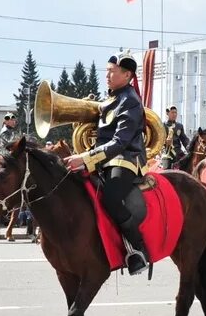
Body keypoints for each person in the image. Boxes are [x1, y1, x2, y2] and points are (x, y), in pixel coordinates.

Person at [64, 54, 150, 276]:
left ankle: (138, 249)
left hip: (126, 159)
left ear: (127, 75)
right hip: (104, 158)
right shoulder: (110, 99)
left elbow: (120, 142)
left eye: (112, 71)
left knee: (111, 197)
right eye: (107, 70)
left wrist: (85, 158)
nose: (107, 75)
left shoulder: (130, 100)